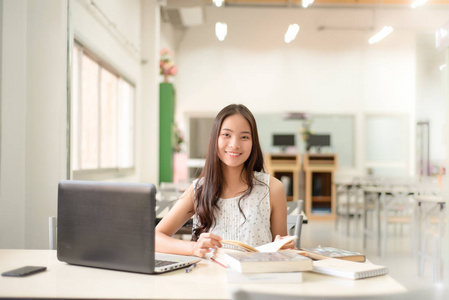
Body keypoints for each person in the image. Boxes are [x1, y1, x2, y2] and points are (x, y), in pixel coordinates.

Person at [155, 104, 295, 257]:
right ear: (215, 138)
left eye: (244, 137)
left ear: (253, 142)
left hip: (255, 279)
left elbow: (281, 252)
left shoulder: (272, 188)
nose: (235, 144)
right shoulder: (199, 189)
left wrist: (285, 247)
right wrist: (193, 248)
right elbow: (155, 237)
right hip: (209, 278)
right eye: (226, 135)